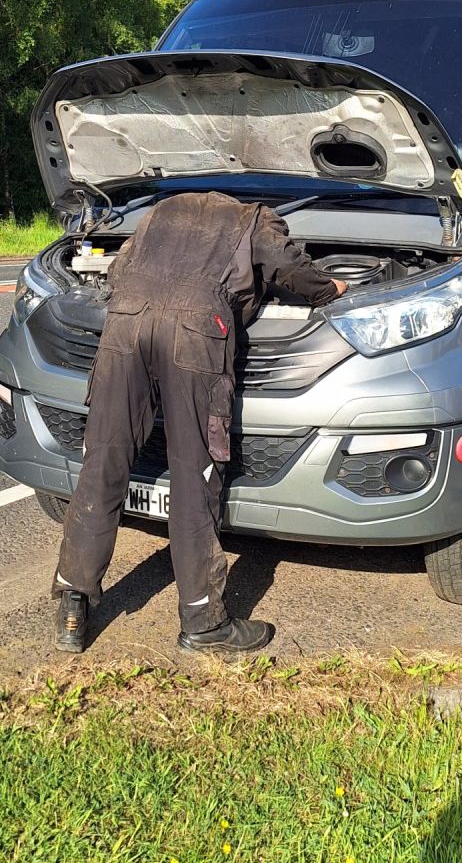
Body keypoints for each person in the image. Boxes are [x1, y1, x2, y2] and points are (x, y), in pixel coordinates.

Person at [52, 191, 346, 655]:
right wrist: (329, 289)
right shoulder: (255, 217)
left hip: (124, 324)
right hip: (194, 335)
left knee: (102, 460)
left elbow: (121, 270)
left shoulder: (161, 211)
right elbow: (286, 265)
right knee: (195, 473)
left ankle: (73, 602)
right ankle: (204, 622)